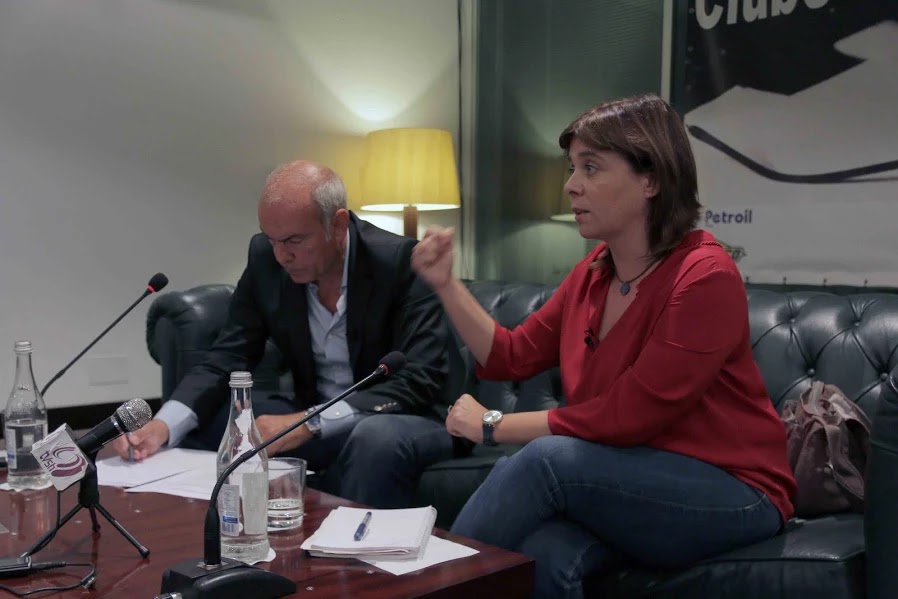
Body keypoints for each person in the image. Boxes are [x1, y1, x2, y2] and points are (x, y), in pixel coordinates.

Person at [411, 94, 796, 599]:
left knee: (544, 461)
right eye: (572, 168)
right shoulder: (593, 272)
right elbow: (509, 356)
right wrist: (446, 284)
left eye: (591, 168)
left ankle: (425, 589)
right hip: (630, 478)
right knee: (545, 554)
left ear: (651, 179)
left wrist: (492, 425)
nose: (571, 185)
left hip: (734, 491)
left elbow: (628, 416)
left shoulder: (705, 276)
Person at [113, 160, 459, 508]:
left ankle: (351, 539)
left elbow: (418, 380)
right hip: (315, 412)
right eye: (272, 239)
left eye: (294, 240)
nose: (282, 255)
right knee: (223, 419)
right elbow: (229, 356)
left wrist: (307, 423)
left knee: (375, 438)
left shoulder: (399, 263)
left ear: (338, 225)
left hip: (405, 416)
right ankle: (213, 524)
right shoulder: (266, 258)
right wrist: (161, 426)